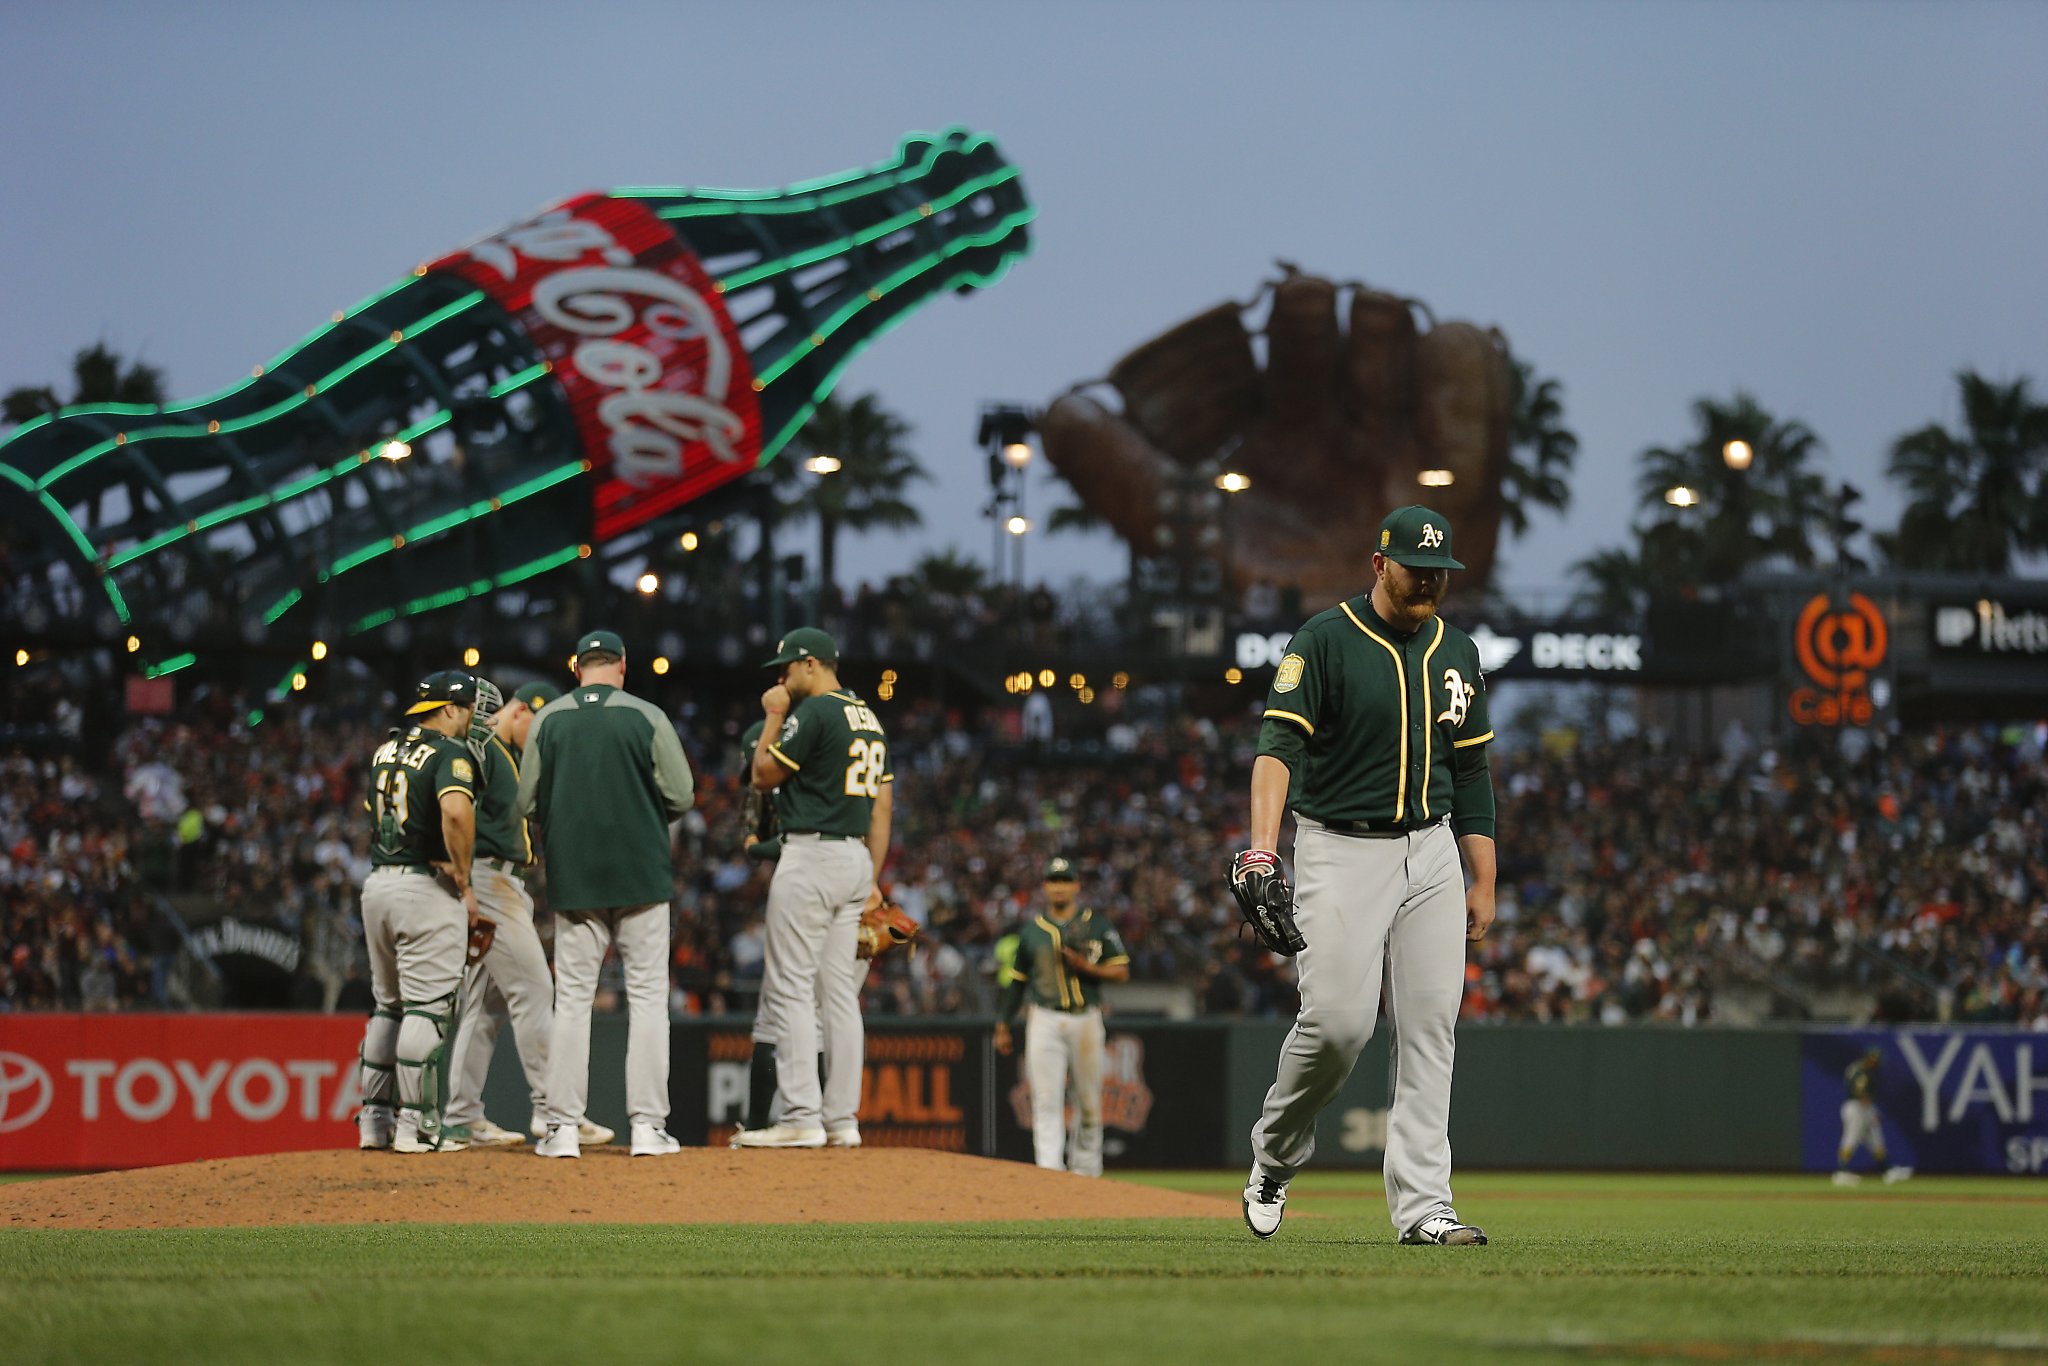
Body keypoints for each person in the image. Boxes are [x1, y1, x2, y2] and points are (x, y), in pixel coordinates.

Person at [1238, 505, 1498, 1245]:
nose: (1430, 584)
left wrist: (1484, 877)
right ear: (1379, 563)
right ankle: (1275, 1156)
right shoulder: (1323, 641)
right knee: (1339, 1027)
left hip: (1434, 849)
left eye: (1440, 572)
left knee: (1430, 1031)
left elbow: (1472, 768)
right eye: (1418, 570)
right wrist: (1262, 848)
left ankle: (1424, 1207)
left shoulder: (1460, 651)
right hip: (1342, 848)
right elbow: (1276, 749)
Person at [515, 631, 694, 1158]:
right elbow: (682, 794)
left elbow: (525, 802)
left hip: (576, 881)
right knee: (647, 1002)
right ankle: (647, 1128)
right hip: (642, 876)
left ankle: (563, 1129)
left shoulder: (549, 719)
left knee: (571, 1003)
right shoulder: (647, 715)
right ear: (622, 665)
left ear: (577, 669)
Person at [734, 627, 892, 1149]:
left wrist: (775, 715)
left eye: (785, 669)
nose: (780, 680)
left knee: (791, 987)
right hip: (853, 859)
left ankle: (801, 1115)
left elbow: (761, 775)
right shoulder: (869, 718)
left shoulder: (816, 710)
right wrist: (871, 880)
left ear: (810, 664)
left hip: (812, 855)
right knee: (840, 996)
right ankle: (842, 1119)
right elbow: (883, 807)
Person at [443, 681, 615, 1151]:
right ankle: (555, 1112)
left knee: (486, 1004)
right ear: (520, 710)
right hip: (489, 880)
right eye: (536, 726)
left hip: (499, 880)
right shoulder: (482, 747)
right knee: (536, 990)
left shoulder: (504, 752)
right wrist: (462, 881)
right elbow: (452, 806)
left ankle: (461, 1116)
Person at [356, 670, 486, 1154]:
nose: (471, 718)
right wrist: (463, 877)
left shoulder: (385, 749)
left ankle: (374, 1120)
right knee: (426, 1009)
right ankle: (417, 1125)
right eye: (469, 708)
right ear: (450, 709)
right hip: (423, 888)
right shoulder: (449, 752)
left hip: (378, 884)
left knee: (387, 1005)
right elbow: (455, 811)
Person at [994, 855, 1130, 1176]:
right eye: (1054, 881)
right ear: (1045, 886)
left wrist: (1087, 968)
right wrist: (1003, 1024)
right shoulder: (1031, 931)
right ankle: (1049, 1173)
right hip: (1043, 1018)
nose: (1059, 887)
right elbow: (1017, 984)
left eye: (1065, 880)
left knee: (1088, 1102)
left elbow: (1122, 971)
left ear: (1076, 885)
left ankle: (1086, 1172)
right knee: (1045, 1099)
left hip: (1086, 1018)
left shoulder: (1097, 924)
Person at [1835, 1047, 1912, 1186]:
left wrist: (1871, 1111)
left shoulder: (1857, 1068)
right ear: (1869, 1058)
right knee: (1851, 1139)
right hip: (1857, 1107)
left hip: (1862, 1107)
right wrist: (1870, 1110)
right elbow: (1860, 1092)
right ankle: (1841, 1172)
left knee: (1876, 1140)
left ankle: (1888, 1170)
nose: (1876, 1062)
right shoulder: (1863, 1071)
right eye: (1874, 1059)